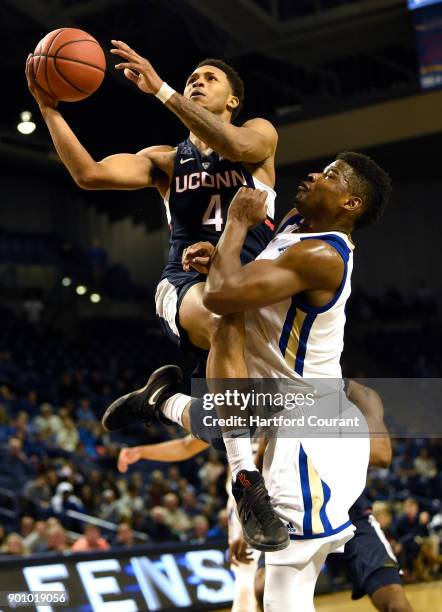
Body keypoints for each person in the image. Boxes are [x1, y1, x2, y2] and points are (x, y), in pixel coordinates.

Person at [105, 152, 391, 567]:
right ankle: (227, 463)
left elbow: (228, 290)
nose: (314, 173)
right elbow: (236, 284)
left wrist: (235, 224)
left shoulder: (324, 254)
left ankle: (162, 400)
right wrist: (219, 253)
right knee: (230, 387)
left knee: (228, 424)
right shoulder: (296, 221)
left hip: (294, 386)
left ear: (351, 204)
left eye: (329, 175)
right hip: (221, 330)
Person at [25, 45, 277, 355]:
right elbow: (89, 174)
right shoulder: (165, 161)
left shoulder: (258, 134)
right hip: (187, 282)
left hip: (253, 281)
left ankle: (171, 401)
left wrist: (160, 88)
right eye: (192, 79)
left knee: (288, 393)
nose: (198, 82)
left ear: (232, 101)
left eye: (210, 79)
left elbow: (234, 145)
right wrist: (49, 111)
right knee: (222, 324)